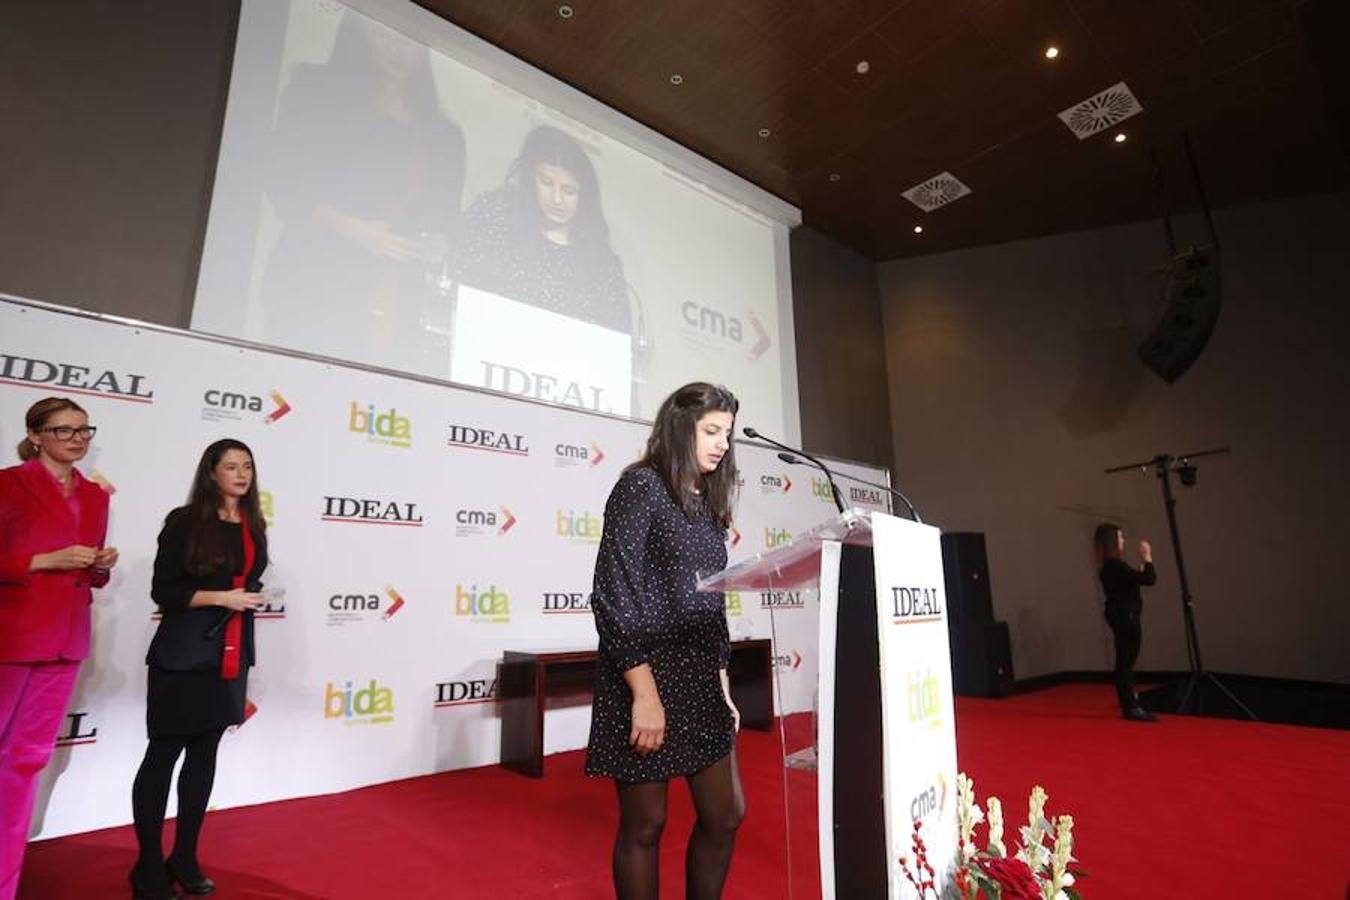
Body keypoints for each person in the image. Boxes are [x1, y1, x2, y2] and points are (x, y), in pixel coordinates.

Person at [585, 382, 744, 900]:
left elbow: (711, 603)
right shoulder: (642, 487)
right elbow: (613, 593)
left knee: (725, 814)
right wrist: (644, 695)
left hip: (699, 677)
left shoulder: (707, 501)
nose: (722, 443)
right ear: (681, 428)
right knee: (645, 826)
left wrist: (722, 684)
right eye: (712, 430)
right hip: (644, 674)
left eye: (728, 433)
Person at [260, 10, 466, 372]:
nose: (396, 50)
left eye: (407, 41)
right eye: (382, 36)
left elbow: (447, 219)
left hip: (402, 297)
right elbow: (283, 181)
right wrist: (359, 231)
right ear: (360, 38)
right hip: (314, 278)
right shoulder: (315, 90)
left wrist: (438, 245)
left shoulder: (443, 136)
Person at [129, 440, 268, 899]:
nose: (241, 473)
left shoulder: (253, 525)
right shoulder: (184, 521)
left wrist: (247, 593)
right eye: (231, 466)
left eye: (247, 465)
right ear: (211, 473)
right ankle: (148, 863)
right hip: (183, 653)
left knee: (204, 757)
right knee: (162, 757)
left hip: (229, 654)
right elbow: (164, 591)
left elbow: (246, 577)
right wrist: (222, 597)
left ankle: (184, 855)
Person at [0, 397, 117, 900]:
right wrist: (42, 560)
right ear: (36, 434)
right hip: (13, 636)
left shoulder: (95, 495)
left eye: (82, 429)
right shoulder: (8, 483)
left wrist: (100, 565)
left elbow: (89, 577)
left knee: (25, 763)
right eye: (63, 429)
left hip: (66, 641)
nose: (76, 438)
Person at [456, 124, 632, 335]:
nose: (556, 199)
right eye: (547, 183)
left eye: (569, 190)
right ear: (531, 177)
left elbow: (616, 341)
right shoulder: (495, 214)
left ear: (585, 196)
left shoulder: (602, 263)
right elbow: (462, 286)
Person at [1094, 523, 1158, 722]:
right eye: (1120, 538)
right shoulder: (1115, 565)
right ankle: (1130, 706)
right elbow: (1149, 578)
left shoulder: (1109, 566)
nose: (1123, 542)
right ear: (1112, 542)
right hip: (1125, 615)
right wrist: (1147, 556)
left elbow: (1133, 581)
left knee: (1125, 660)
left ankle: (1129, 702)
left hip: (1119, 614)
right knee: (1126, 661)